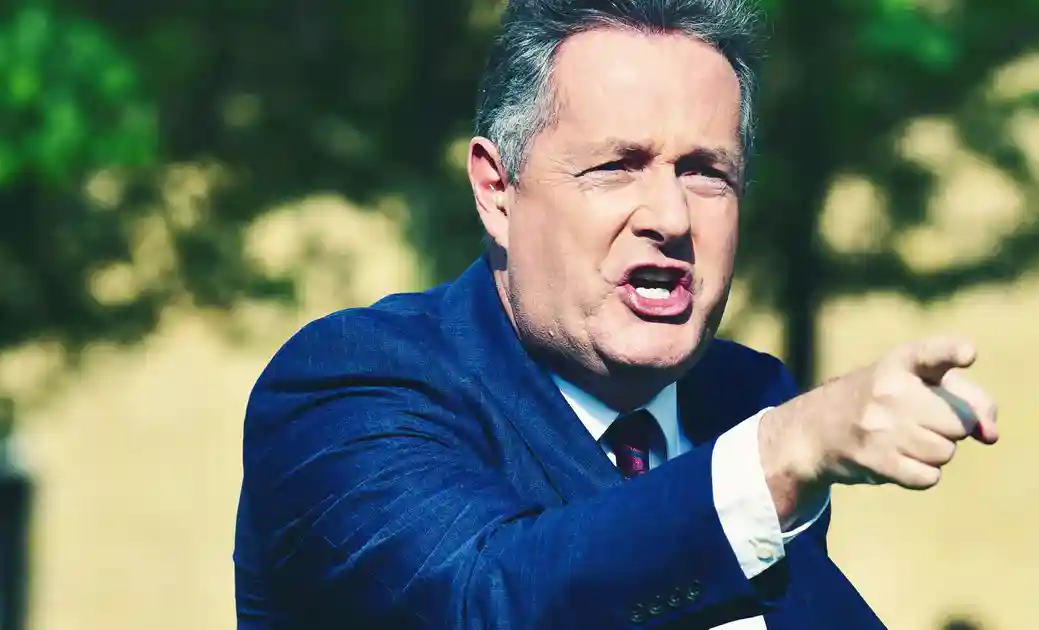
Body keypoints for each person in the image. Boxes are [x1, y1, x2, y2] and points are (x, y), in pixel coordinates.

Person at [233, 1, 1000, 628]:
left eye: (706, 173)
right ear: (497, 191)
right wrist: (781, 454)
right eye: (616, 167)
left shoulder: (740, 396)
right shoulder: (348, 388)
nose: (669, 215)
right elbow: (487, 602)